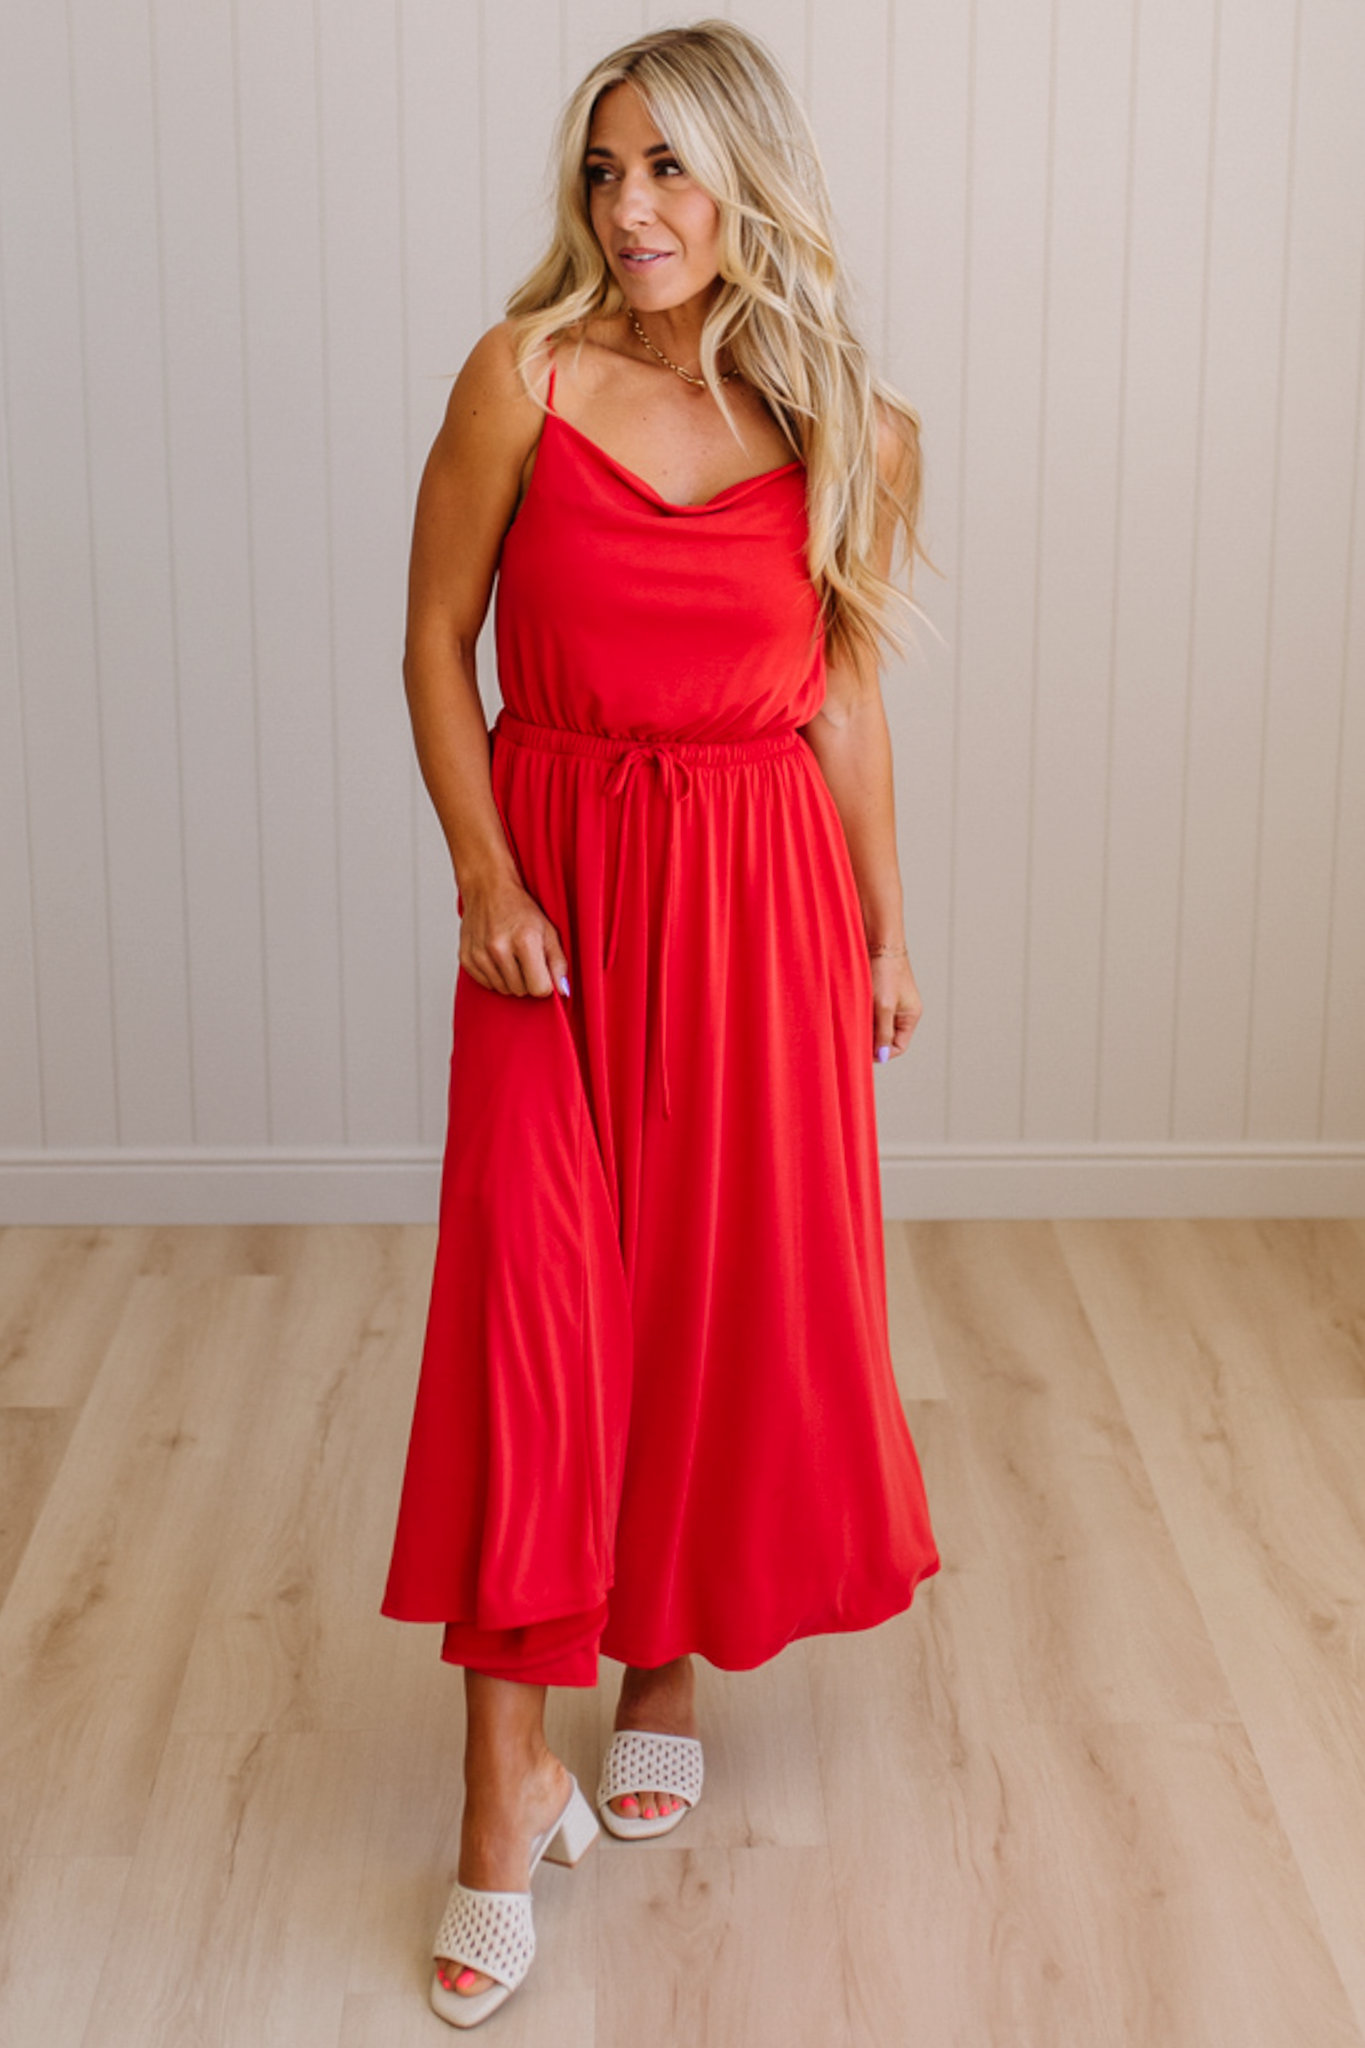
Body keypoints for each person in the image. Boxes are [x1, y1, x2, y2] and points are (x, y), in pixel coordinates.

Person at [381, 19, 940, 2028]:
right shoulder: (519, 382)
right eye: (605, 169)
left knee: (708, 1291)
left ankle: (662, 1671)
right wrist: (483, 873)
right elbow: (434, 641)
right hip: (556, 906)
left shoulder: (853, 428)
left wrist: (884, 930)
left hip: (762, 904)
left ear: (747, 184)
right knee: (534, 1320)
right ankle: (497, 1796)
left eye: (670, 168)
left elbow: (842, 700)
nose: (630, 208)